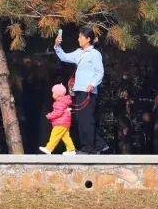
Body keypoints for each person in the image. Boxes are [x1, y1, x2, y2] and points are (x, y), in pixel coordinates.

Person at [54, 26, 110, 154]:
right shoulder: (79, 52)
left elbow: (100, 72)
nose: (78, 39)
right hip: (79, 90)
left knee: (87, 120)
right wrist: (57, 46)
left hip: (88, 92)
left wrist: (93, 84)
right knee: (81, 119)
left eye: (80, 37)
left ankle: (89, 148)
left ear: (88, 39)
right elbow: (64, 57)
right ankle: (100, 145)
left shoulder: (95, 54)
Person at [40, 83, 76, 155]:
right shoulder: (63, 102)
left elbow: (58, 112)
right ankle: (71, 150)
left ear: (58, 94)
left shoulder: (59, 103)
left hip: (60, 123)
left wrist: (50, 116)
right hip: (65, 123)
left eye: (53, 93)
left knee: (54, 135)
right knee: (65, 137)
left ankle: (49, 148)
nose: (52, 94)